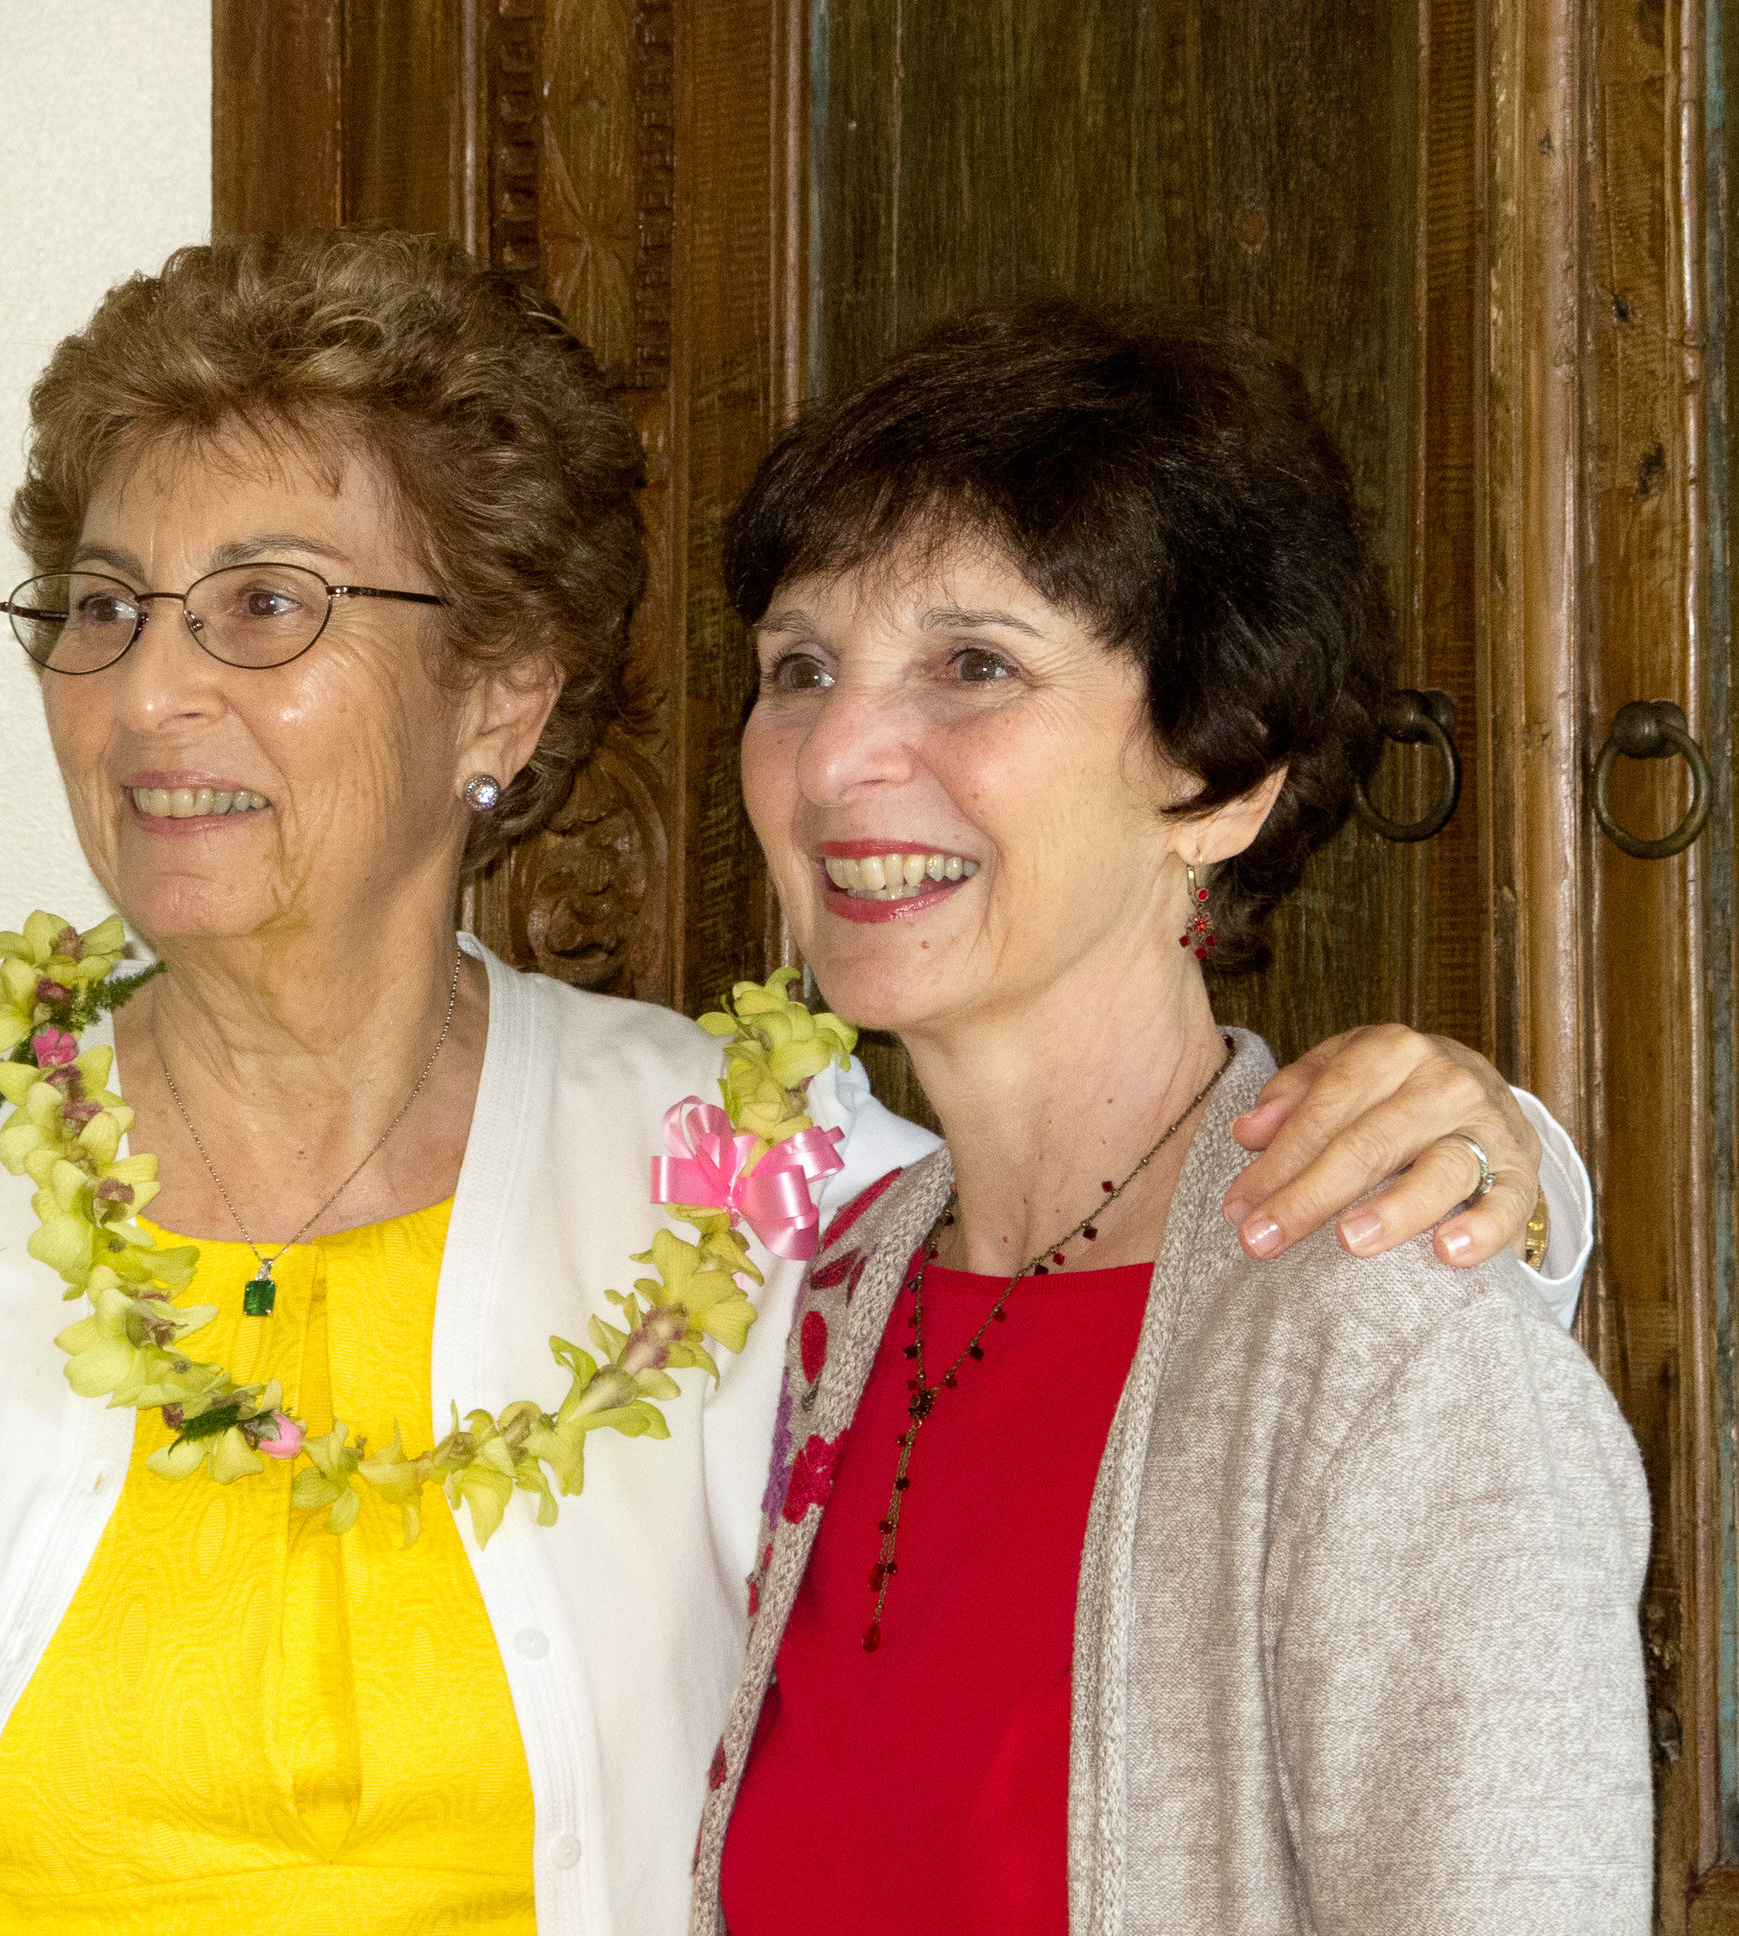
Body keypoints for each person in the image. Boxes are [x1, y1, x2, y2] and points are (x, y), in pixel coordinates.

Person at [0, 234, 1597, 1936]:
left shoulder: (735, 1173)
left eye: (266, 606)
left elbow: (1268, 1301)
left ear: (500, 692)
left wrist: (1499, 1172)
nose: (150, 690)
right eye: (104, 609)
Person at [696, 299, 1651, 1934]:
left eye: (974, 665)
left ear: (1221, 778)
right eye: (799, 669)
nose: (834, 755)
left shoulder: (1391, 1350)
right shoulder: (831, 1290)